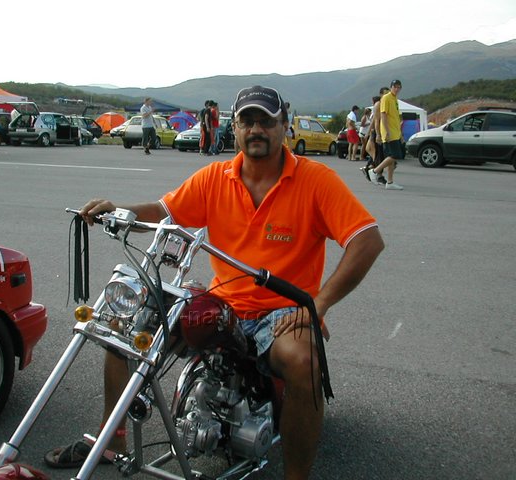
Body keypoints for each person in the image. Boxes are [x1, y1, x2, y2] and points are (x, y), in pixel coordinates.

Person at [44, 85, 385, 479]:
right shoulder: (214, 177)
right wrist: (118, 210)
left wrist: (318, 305)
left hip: (283, 312)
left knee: (304, 362)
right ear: (234, 128)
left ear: (284, 126)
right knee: (127, 327)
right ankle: (112, 441)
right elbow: (164, 211)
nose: (256, 129)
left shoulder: (315, 180)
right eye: (247, 121)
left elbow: (367, 240)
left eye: (266, 121)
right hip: (225, 302)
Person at [368, 80, 404, 190]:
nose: (396, 89)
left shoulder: (394, 99)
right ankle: (375, 171)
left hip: (395, 132)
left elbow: (395, 117)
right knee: (395, 155)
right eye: (395, 87)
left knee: (392, 157)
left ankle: (390, 181)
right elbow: (383, 116)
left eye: (398, 87)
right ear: (391, 87)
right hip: (389, 133)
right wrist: (386, 132)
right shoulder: (386, 98)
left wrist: (400, 134)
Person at [362, 87, 390, 184]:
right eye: (385, 93)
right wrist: (376, 134)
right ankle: (376, 174)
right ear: (381, 94)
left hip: (382, 132)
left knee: (379, 155)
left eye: (388, 93)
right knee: (379, 155)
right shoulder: (378, 104)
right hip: (379, 133)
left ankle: (370, 169)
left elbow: (374, 120)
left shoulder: (385, 103)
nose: (386, 95)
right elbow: (376, 121)